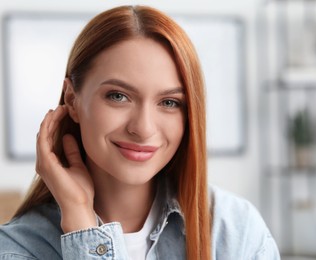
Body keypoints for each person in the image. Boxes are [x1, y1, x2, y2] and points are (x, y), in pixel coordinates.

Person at [0, 5, 280, 260]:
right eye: (118, 96)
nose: (143, 128)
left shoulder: (235, 231)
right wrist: (80, 220)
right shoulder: (18, 249)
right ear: (72, 100)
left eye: (169, 102)